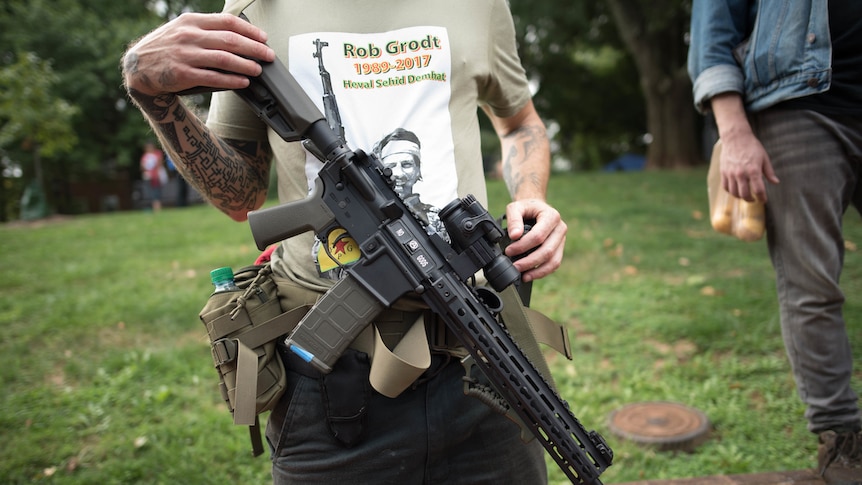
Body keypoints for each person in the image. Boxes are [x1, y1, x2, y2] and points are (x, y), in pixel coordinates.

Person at [121, 0, 568, 483]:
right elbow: (240, 196)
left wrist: (531, 196)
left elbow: (520, 121)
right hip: (330, 383)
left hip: (481, 360)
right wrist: (154, 97)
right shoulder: (254, 5)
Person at [688, 1, 862, 482]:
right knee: (814, 284)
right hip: (798, 105)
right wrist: (735, 131)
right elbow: (713, 28)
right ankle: (842, 439)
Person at [139, 142, 166, 212]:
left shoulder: (157, 154)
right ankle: (154, 208)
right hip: (149, 177)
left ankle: (157, 209)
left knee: (156, 193)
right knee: (151, 193)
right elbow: (142, 166)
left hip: (156, 176)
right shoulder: (145, 156)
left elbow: (159, 164)